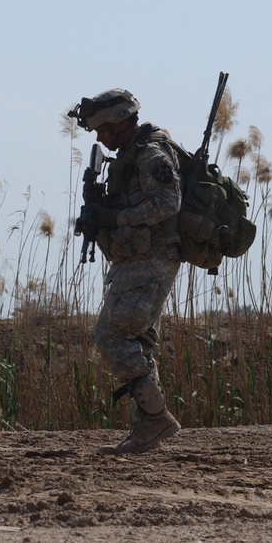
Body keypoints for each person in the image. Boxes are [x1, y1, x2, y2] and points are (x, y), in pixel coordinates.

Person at [67, 88, 182, 454]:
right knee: (139, 341)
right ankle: (148, 427)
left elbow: (168, 202)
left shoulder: (150, 155)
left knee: (111, 335)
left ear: (119, 122)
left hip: (153, 258)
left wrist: (117, 217)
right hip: (137, 259)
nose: (99, 136)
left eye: (102, 128)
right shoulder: (132, 155)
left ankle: (156, 417)